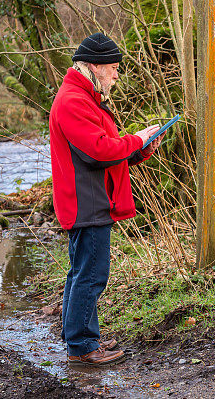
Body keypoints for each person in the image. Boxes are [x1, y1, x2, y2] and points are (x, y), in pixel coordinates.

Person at [49, 32, 163, 366]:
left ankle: (79, 337)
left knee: (80, 271)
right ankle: (83, 346)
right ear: (94, 67)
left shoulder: (85, 97)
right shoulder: (73, 101)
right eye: (112, 68)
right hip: (87, 202)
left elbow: (104, 152)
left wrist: (139, 151)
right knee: (91, 274)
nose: (116, 75)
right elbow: (97, 150)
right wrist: (134, 139)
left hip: (90, 199)